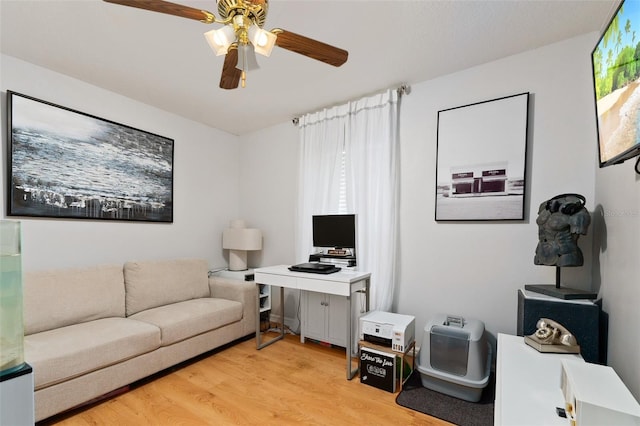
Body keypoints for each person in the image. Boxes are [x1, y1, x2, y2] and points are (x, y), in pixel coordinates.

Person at [534, 194, 590, 267]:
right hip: (541, 253)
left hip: (565, 254)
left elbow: (575, 238)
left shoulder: (577, 212)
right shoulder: (544, 207)